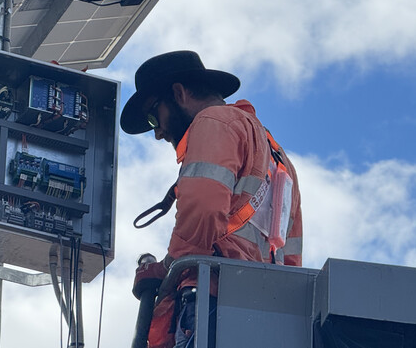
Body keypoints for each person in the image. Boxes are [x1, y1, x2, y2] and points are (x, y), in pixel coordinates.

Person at [122, 51, 303, 348]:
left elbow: (203, 210)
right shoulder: (278, 158)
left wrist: (167, 271)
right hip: (267, 320)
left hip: (213, 302)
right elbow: (291, 259)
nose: (157, 132)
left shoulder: (213, 121)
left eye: (154, 115)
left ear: (178, 93)